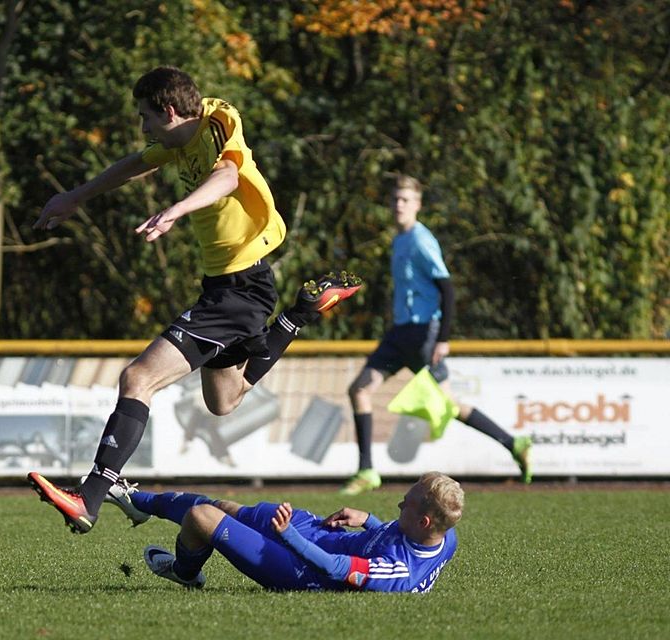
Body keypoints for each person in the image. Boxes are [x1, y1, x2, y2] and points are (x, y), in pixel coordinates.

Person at [28, 66, 362, 533]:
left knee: (138, 377)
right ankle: (299, 314)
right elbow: (135, 163)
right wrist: (76, 197)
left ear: (169, 111)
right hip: (233, 287)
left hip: (240, 289)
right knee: (224, 400)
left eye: (145, 117)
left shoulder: (217, 121)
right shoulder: (176, 142)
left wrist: (177, 210)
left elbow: (228, 176)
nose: (142, 127)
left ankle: (92, 496)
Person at [341, 175, 531, 496]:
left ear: (418, 204)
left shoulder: (420, 240)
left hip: (424, 335)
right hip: (400, 334)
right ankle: (367, 471)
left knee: (450, 405)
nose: (399, 205)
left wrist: (443, 338)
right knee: (359, 389)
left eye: (405, 199)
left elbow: (448, 288)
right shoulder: (399, 240)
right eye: (395, 199)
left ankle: (514, 443)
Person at [102, 471, 462, 593]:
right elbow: (394, 537)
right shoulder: (445, 537)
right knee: (226, 506)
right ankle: (135, 500)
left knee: (201, 517)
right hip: (322, 533)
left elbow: (334, 568)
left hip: (302, 570)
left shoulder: (397, 574)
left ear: (423, 522)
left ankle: (185, 572)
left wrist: (288, 534)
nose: (399, 504)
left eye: (406, 504)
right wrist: (366, 518)